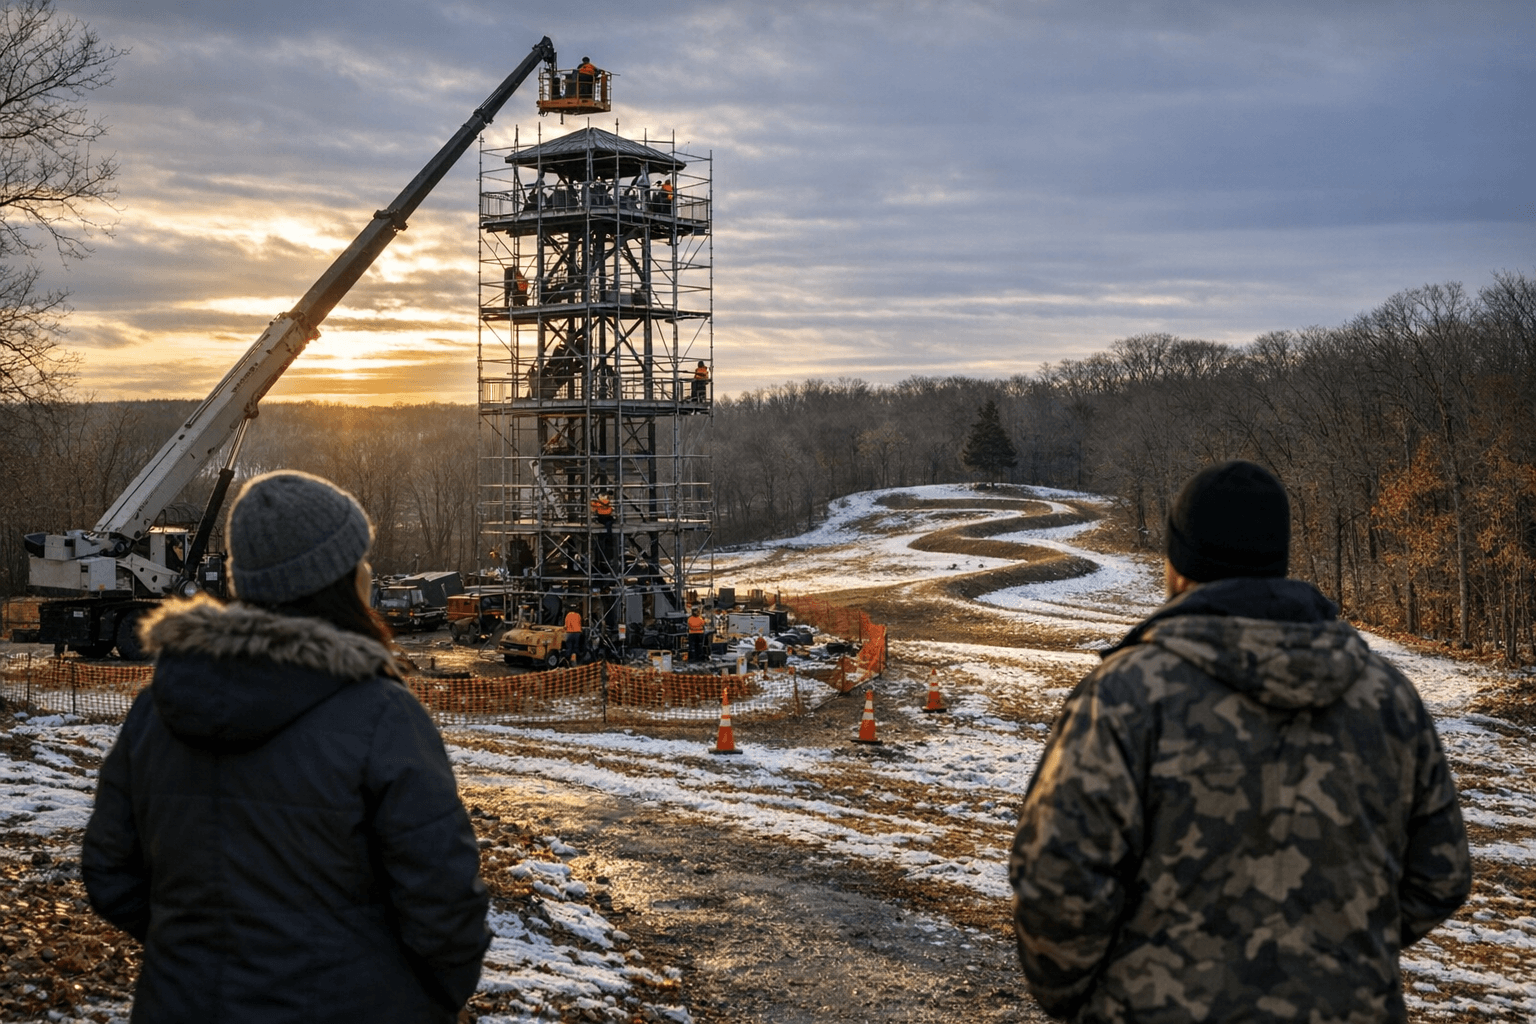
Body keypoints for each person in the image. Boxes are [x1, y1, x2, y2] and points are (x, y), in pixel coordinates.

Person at [1008, 460, 1471, 1023]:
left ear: (1178, 565)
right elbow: (1440, 875)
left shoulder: (1127, 695)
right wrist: (1332, 954)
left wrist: (1086, 998)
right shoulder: (1387, 696)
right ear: (1278, 563)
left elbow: (1058, 882)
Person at [82, 470, 490, 1024]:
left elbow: (110, 872)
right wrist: (415, 997)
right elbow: (447, 906)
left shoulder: (160, 705)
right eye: (359, 558)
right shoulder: (380, 714)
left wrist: (200, 950)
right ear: (336, 579)